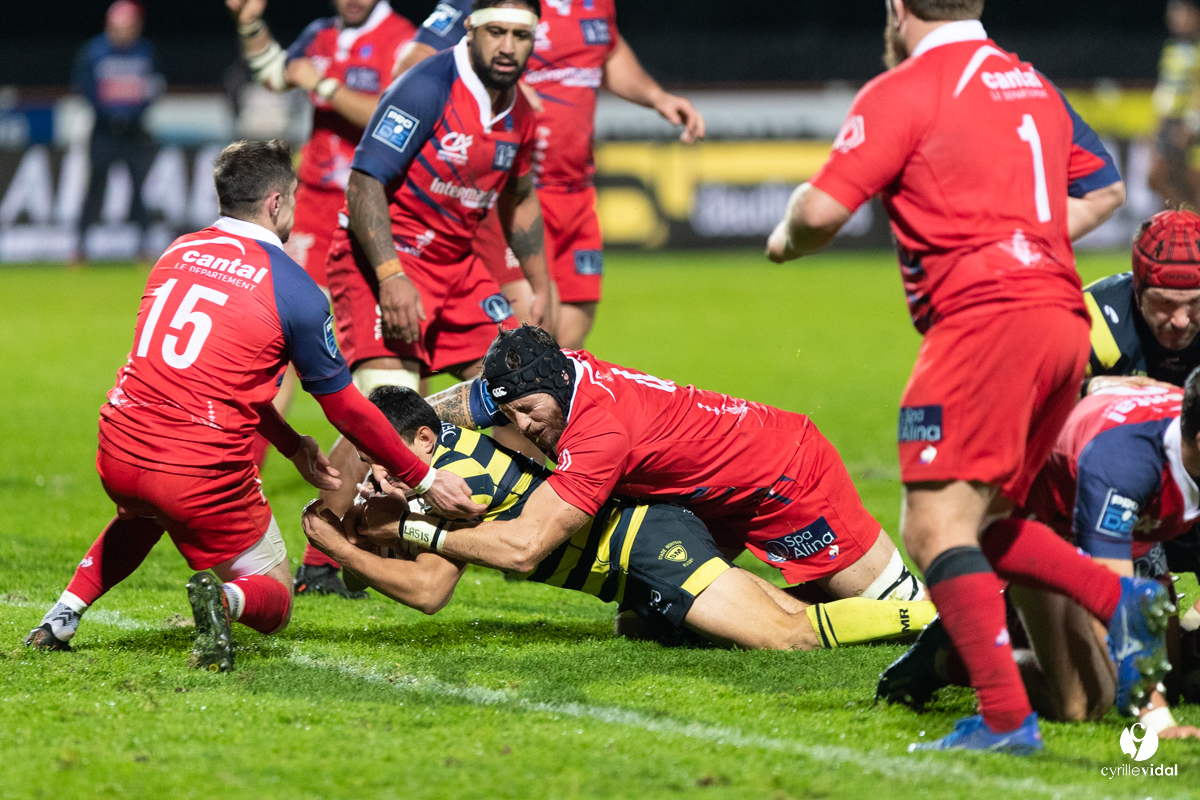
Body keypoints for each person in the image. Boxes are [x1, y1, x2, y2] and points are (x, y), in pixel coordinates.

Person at [763, 0, 1167, 755]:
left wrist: (786, 236)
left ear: (896, 8)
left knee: (930, 525)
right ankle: (1122, 598)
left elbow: (820, 209)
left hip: (986, 323)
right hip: (1061, 321)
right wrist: (1028, 238)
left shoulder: (905, 89)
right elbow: (1106, 188)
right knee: (978, 518)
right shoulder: (1030, 84)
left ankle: (1007, 722)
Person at [24, 140, 483, 670]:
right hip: (194, 470)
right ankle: (223, 602)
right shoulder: (294, 288)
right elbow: (347, 410)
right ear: (275, 203)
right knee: (275, 594)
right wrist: (423, 477)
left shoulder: (177, 252)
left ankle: (61, 615)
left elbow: (212, 375)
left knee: (145, 509)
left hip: (119, 448)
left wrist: (290, 445)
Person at [374, 326, 929, 638]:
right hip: (713, 497)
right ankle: (787, 617)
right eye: (510, 413)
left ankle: (986, 614)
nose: (522, 426)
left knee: (907, 613)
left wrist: (412, 528)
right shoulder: (551, 373)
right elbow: (445, 407)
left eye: (526, 412)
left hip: (786, 476)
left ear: (555, 386)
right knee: (648, 624)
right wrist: (382, 443)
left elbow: (524, 548)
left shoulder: (597, 434)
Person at [319, 0, 557, 533]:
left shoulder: (520, 110)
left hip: (457, 266)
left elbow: (517, 196)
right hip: (385, 259)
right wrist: (390, 277)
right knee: (385, 413)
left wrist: (543, 286)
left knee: (526, 386)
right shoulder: (427, 86)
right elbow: (364, 183)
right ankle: (321, 554)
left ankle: (527, 527)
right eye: (495, 32)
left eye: (520, 36)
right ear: (471, 30)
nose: (506, 47)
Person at [226, 0, 418, 598]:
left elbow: (392, 115)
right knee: (272, 352)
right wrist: (252, 24)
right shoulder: (320, 32)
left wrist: (325, 83)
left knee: (372, 382)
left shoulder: (402, 40)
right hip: (308, 212)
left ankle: (341, 535)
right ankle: (237, 488)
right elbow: (274, 72)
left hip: (367, 213)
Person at [880, 383, 1200, 740]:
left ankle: (1014, 625)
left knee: (1176, 672)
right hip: (1040, 526)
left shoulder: (1184, 424)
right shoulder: (1121, 465)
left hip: (1130, 523)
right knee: (1085, 702)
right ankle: (945, 657)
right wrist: (1158, 722)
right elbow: (1118, 604)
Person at [390, 0, 705, 350]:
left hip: (578, 193)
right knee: (525, 348)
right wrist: (501, 82)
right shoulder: (495, 3)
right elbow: (409, 64)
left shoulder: (597, 4)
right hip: (515, 196)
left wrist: (655, 96)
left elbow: (608, 49)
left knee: (567, 346)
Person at [72, 0, 163, 265]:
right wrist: (110, 111)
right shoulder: (94, 51)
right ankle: (80, 248)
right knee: (95, 189)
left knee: (139, 189)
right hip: (103, 131)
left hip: (134, 132)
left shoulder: (146, 51)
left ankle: (144, 247)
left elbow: (155, 86)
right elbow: (84, 87)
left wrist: (133, 110)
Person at [1150, 0, 1200, 209]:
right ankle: (1182, 229)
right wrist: (1157, 123)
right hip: (1168, 122)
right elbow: (1166, 88)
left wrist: (1192, 123)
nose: (1175, 19)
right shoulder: (1171, 47)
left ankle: (1189, 228)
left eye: (1180, 13)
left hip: (1187, 123)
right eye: (1172, 14)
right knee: (1159, 180)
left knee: (1190, 182)